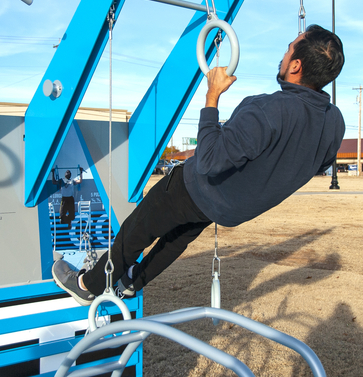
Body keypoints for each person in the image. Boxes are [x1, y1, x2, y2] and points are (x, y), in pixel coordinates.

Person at [52, 25, 345, 306]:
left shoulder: (268, 109)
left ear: (295, 66)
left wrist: (212, 96)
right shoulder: (334, 122)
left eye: (288, 49)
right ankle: (131, 282)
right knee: (178, 237)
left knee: (138, 229)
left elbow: (209, 160)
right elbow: (318, 161)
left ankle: (88, 286)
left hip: (196, 188)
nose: (282, 55)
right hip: (230, 208)